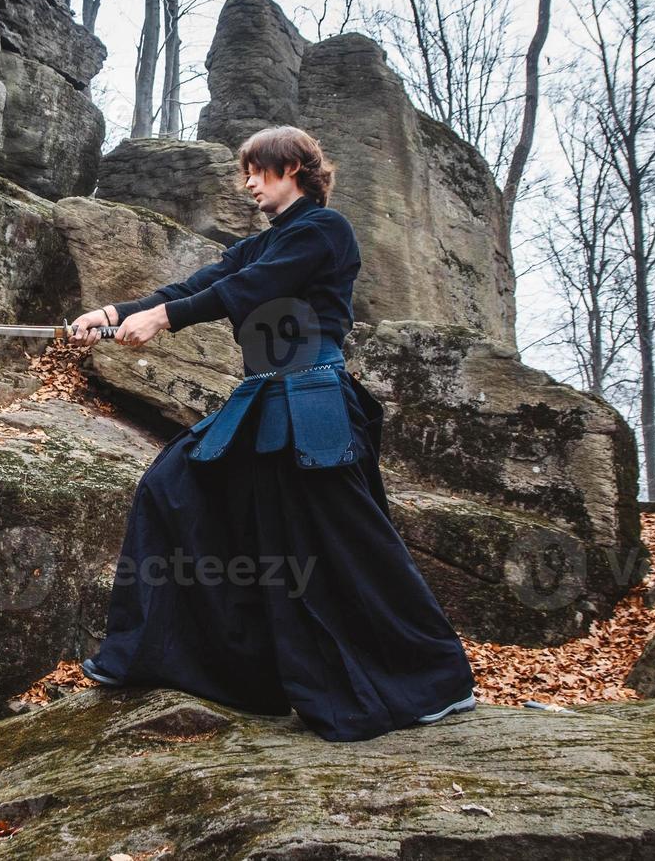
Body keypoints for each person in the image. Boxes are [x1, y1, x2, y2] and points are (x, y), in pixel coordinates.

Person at [67, 125, 477, 740]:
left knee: (344, 544)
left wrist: (161, 320)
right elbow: (199, 285)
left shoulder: (323, 231)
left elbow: (246, 291)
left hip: (314, 404)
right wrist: (113, 314)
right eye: (247, 172)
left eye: (259, 170)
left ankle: (434, 682)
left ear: (293, 168)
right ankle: (192, 665)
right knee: (174, 487)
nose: (249, 183)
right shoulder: (262, 244)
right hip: (264, 400)